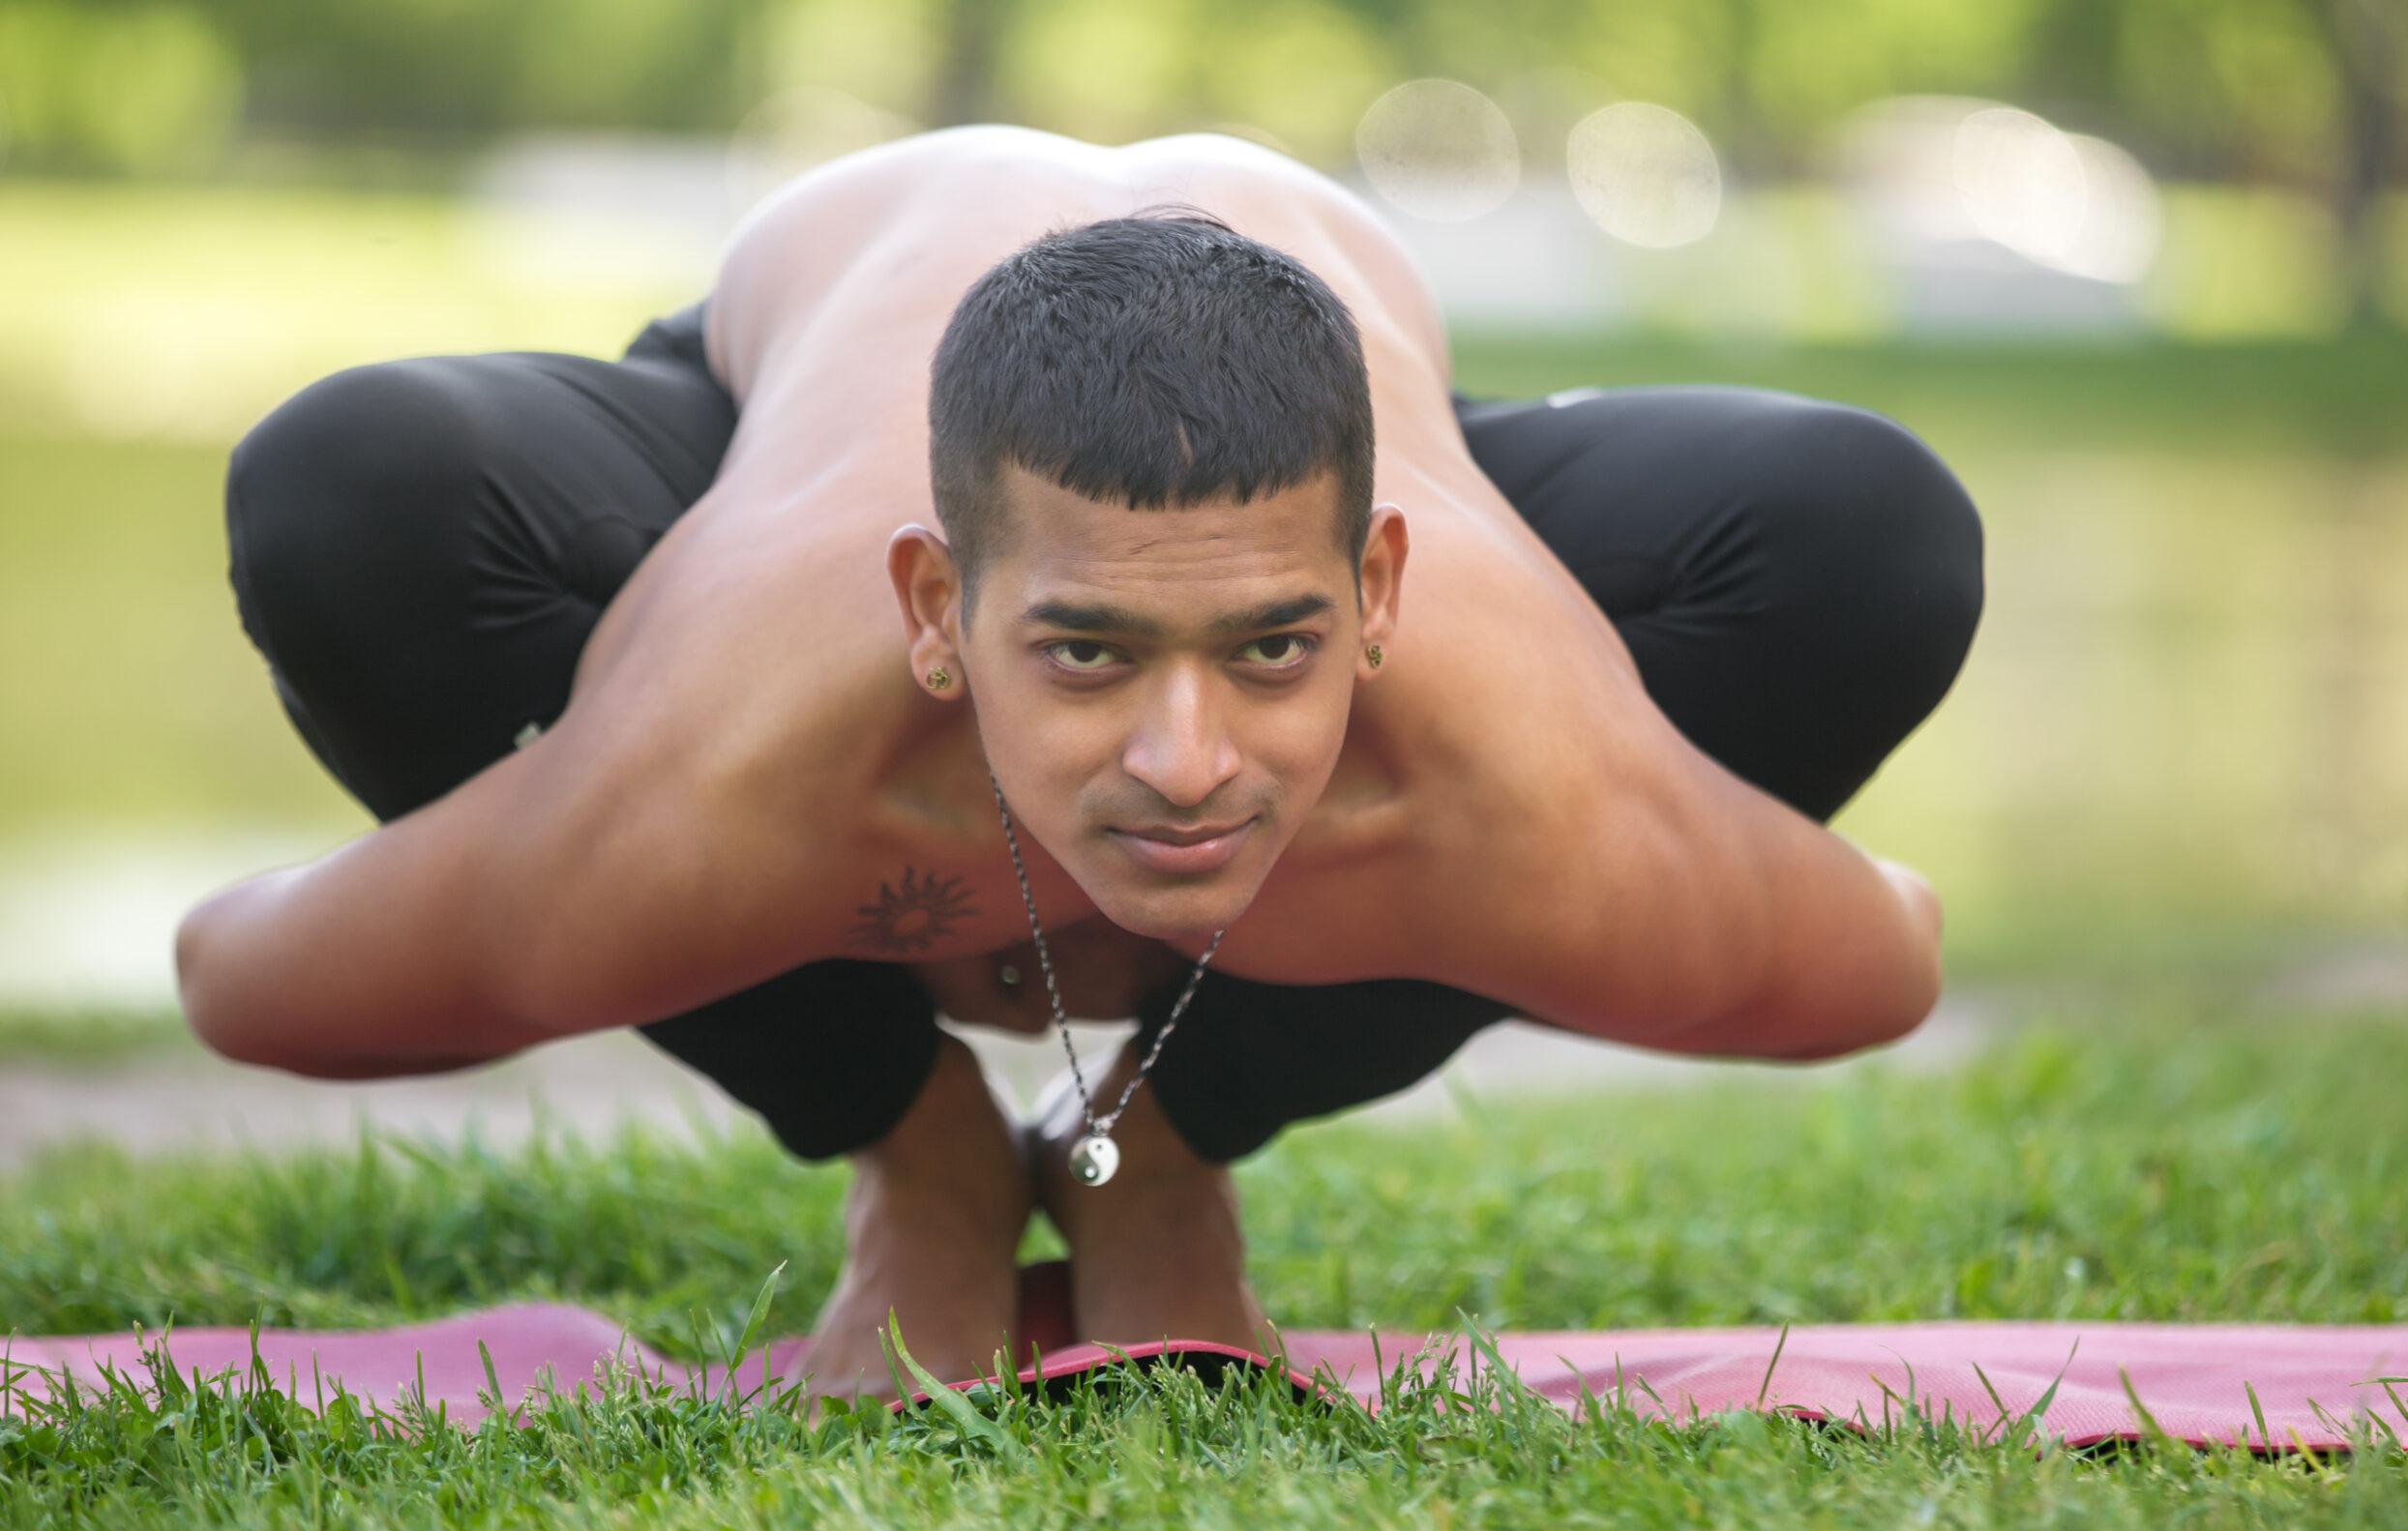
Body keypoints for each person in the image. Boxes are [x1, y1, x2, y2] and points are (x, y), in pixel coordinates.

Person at [179, 127, 1981, 1397]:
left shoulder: (1504, 793)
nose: (1187, 766)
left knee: (1871, 532)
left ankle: (1166, 1141)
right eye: (1087, 654)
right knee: (350, 487)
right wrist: (684, 906)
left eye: (1274, 650)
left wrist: (1397, 911)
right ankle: (926, 1150)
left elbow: (1878, 959)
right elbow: (247, 980)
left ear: (1376, 593)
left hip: (1287, 369)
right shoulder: (735, 773)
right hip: (814, 367)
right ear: (935, 612)